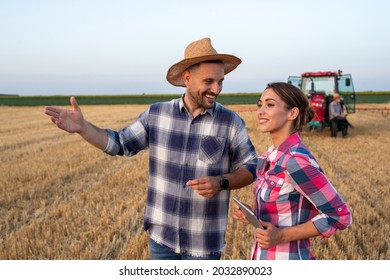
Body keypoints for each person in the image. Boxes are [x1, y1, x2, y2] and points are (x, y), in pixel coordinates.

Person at [44, 37, 257, 260]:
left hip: (203, 243)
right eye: (209, 81)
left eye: (220, 81)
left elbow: (250, 167)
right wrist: (83, 128)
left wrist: (222, 182)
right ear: (187, 78)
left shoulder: (230, 122)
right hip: (161, 239)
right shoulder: (157, 114)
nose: (216, 89)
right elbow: (120, 144)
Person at [233, 82, 352, 260]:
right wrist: (253, 217)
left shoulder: (296, 161)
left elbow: (340, 216)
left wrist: (281, 236)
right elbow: (285, 211)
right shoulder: (267, 157)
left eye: (270, 104)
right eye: (260, 104)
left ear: (292, 113)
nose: (260, 111)